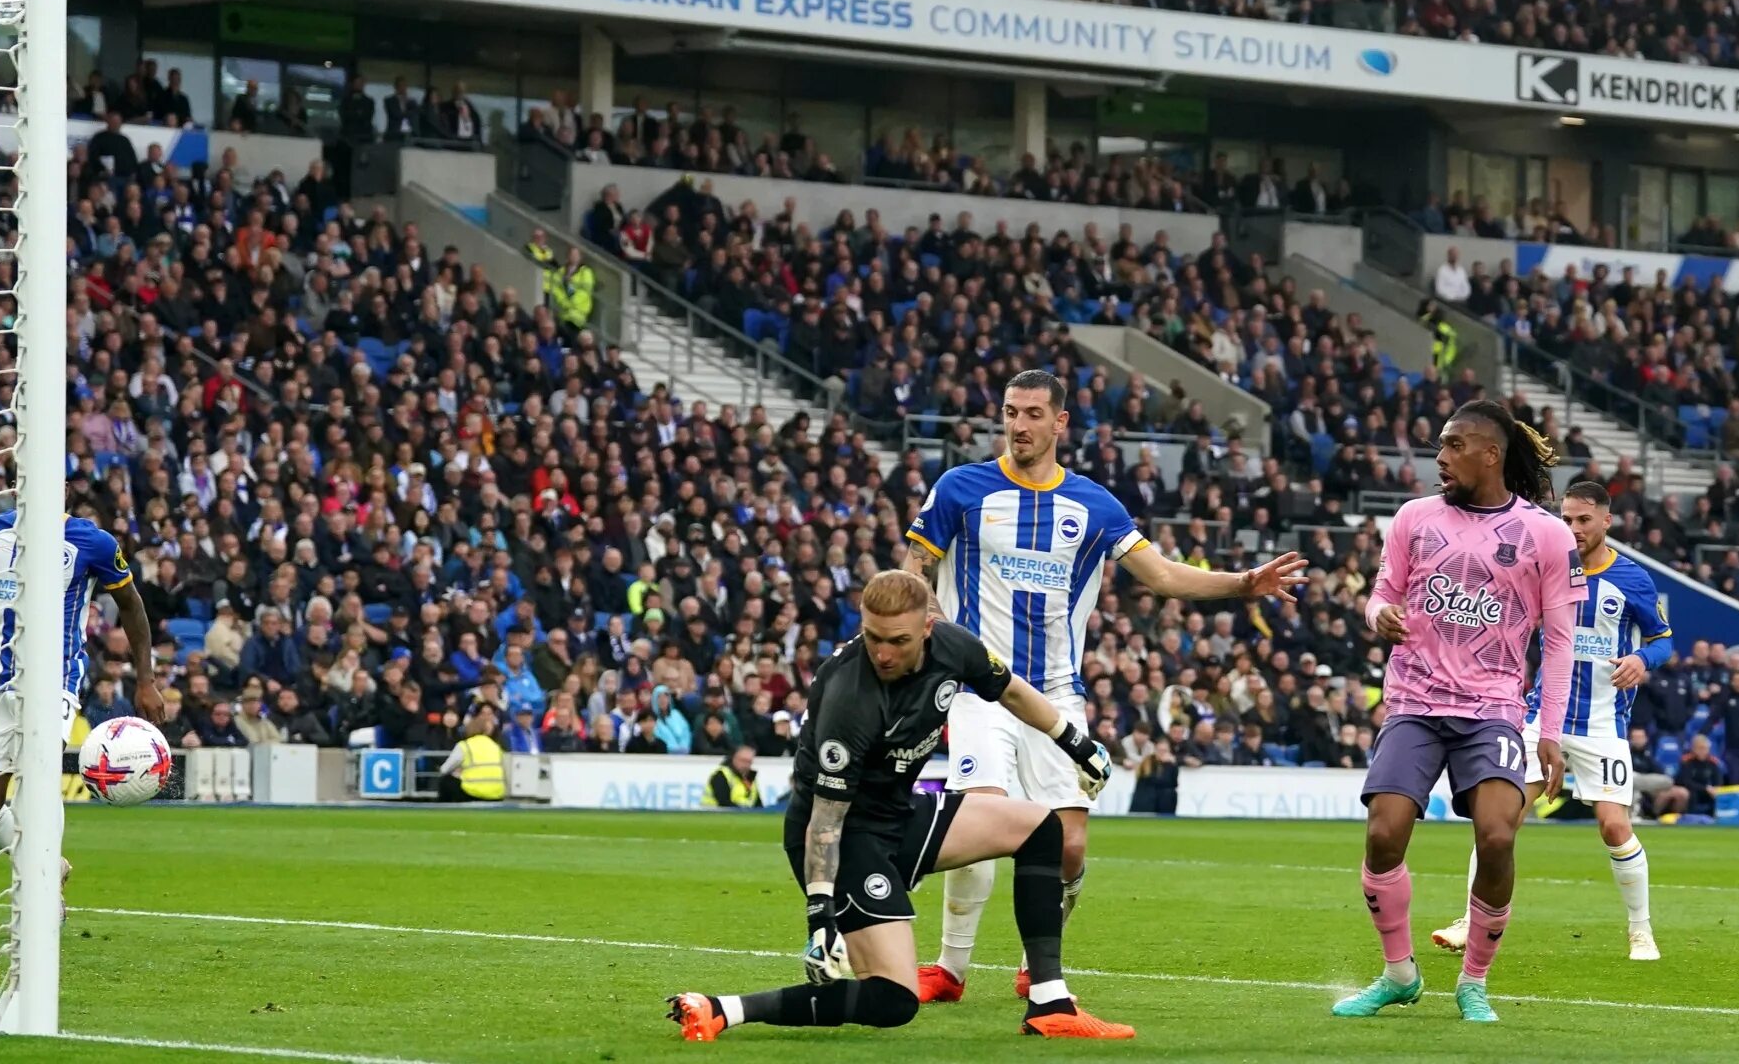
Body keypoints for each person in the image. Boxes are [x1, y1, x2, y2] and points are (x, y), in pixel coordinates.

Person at [901, 369, 1306, 1003]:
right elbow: (917, 566)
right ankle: (950, 969)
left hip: (1056, 694)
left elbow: (1164, 576)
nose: (1019, 425)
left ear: (1060, 423)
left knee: (1070, 845)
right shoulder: (961, 488)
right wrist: (915, 630)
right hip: (979, 686)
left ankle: (1040, 962)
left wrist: (1241, 583)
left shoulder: (1094, 505)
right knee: (981, 812)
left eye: (1034, 414)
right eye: (1010, 412)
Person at [665, 571, 1131, 1041]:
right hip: (846, 838)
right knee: (893, 1000)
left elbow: (1009, 688)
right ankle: (721, 1009)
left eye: (898, 640)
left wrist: (1076, 743)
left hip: (899, 813)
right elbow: (825, 819)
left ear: (928, 628)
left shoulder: (954, 645)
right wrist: (820, 916)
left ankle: (1050, 1002)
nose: (883, 652)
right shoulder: (850, 696)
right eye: (873, 637)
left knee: (1040, 827)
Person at [1333, 399, 1580, 1024]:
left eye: (1453, 446)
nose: (1440, 458)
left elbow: (1559, 640)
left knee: (1497, 836)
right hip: (1414, 703)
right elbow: (1382, 593)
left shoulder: (1546, 533)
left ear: (1490, 454)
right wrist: (1376, 614)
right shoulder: (1415, 518)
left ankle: (1473, 982)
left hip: (1493, 709)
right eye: (1439, 446)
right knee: (1384, 833)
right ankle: (1398, 974)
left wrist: (1549, 732)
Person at [1431, 481, 1672, 961]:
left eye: (1584, 520)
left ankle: (1640, 930)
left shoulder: (1633, 579)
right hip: (1544, 718)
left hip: (1603, 725)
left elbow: (1663, 637)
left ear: (1607, 521)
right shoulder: (1545, 566)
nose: (1574, 528)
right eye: (1566, 519)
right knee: (1501, 818)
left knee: (1612, 827)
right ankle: (1470, 918)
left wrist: (1644, 659)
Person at [0, 506, 164, 912]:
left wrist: (145, 679)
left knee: (38, 780)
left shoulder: (94, 543)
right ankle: (50, 865)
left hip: (55, 683)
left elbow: (132, 606)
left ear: (64, 489)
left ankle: (43, 891)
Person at [437, 707, 505, 801]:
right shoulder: (496, 746)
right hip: (497, 794)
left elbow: (444, 769)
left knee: (446, 781)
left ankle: (443, 811)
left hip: (473, 793)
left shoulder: (465, 746)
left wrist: (458, 772)